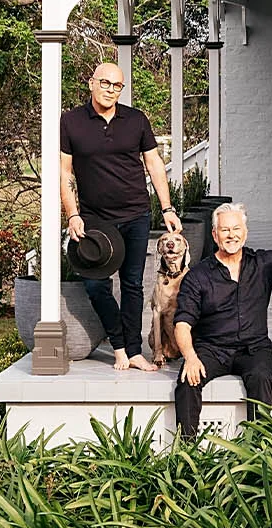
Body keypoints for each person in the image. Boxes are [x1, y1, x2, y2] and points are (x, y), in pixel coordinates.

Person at [59, 61, 181, 372]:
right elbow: (63, 172)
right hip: (94, 220)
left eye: (117, 86)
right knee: (96, 286)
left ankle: (134, 349)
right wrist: (72, 214)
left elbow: (153, 164)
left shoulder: (136, 120)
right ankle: (118, 345)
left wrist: (166, 208)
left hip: (135, 214)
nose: (111, 90)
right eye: (105, 83)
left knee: (132, 285)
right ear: (91, 83)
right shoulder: (71, 122)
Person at [170, 202, 272, 438]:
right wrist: (191, 358)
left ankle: (261, 453)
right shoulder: (198, 275)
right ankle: (186, 454)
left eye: (236, 229)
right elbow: (182, 324)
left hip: (254, 348)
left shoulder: (263, 263)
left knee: (260, 377)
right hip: (212, 348)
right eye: (225, 230)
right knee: (187, 383)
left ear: (245, 233)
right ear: (215, 235)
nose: (231, 235)